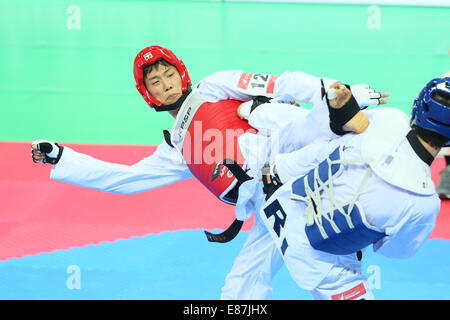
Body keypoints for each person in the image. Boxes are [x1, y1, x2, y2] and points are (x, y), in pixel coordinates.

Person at [31, 45, 388, 299]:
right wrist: (61, 157)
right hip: (267, 201)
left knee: (316, 266)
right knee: (240, 289)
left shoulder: (213, 86)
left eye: (168, 73)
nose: (165, 82)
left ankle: (351, 121)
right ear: (148, 95)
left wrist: (337, 93)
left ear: (181, 73)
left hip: (286, 152)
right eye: (155, 82)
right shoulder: (176, 149)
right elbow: (124, 179)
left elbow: (283, 84)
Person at [254, 75, 449, 299]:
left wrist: (277, 168)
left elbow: (325, 147)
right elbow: (393, 251)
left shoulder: (389, 118)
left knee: (246, 280)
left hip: (279, 199)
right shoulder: (423, 204)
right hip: (320, 258)